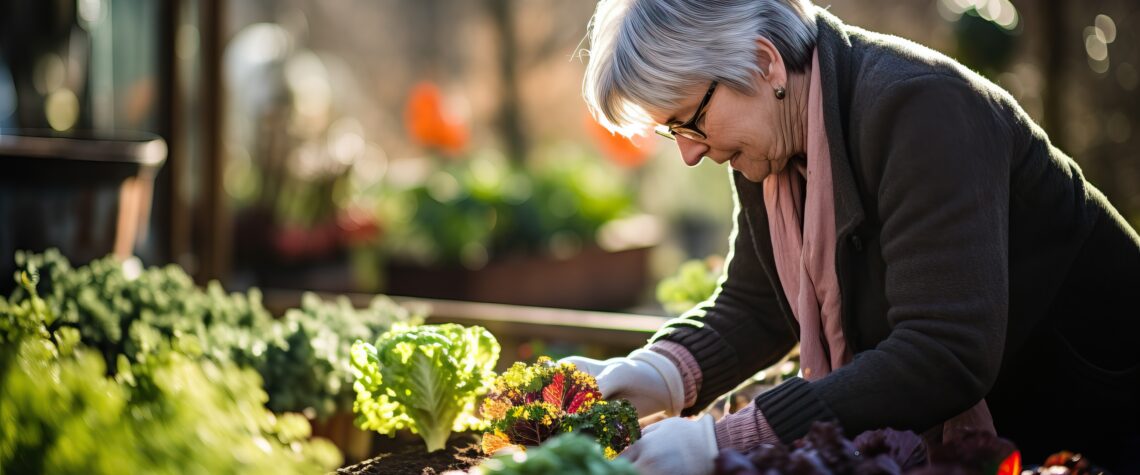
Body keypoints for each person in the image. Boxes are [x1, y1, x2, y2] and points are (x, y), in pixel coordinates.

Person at [561, 0, 1140, 473]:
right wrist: (659, 372)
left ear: (763, 63)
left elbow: (943, 350)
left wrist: (729, 439)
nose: (689, 152)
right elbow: (758, 302)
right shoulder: (767, 140)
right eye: (671, 131)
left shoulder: (922, 108)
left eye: (689, 120)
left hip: (1099, 423)